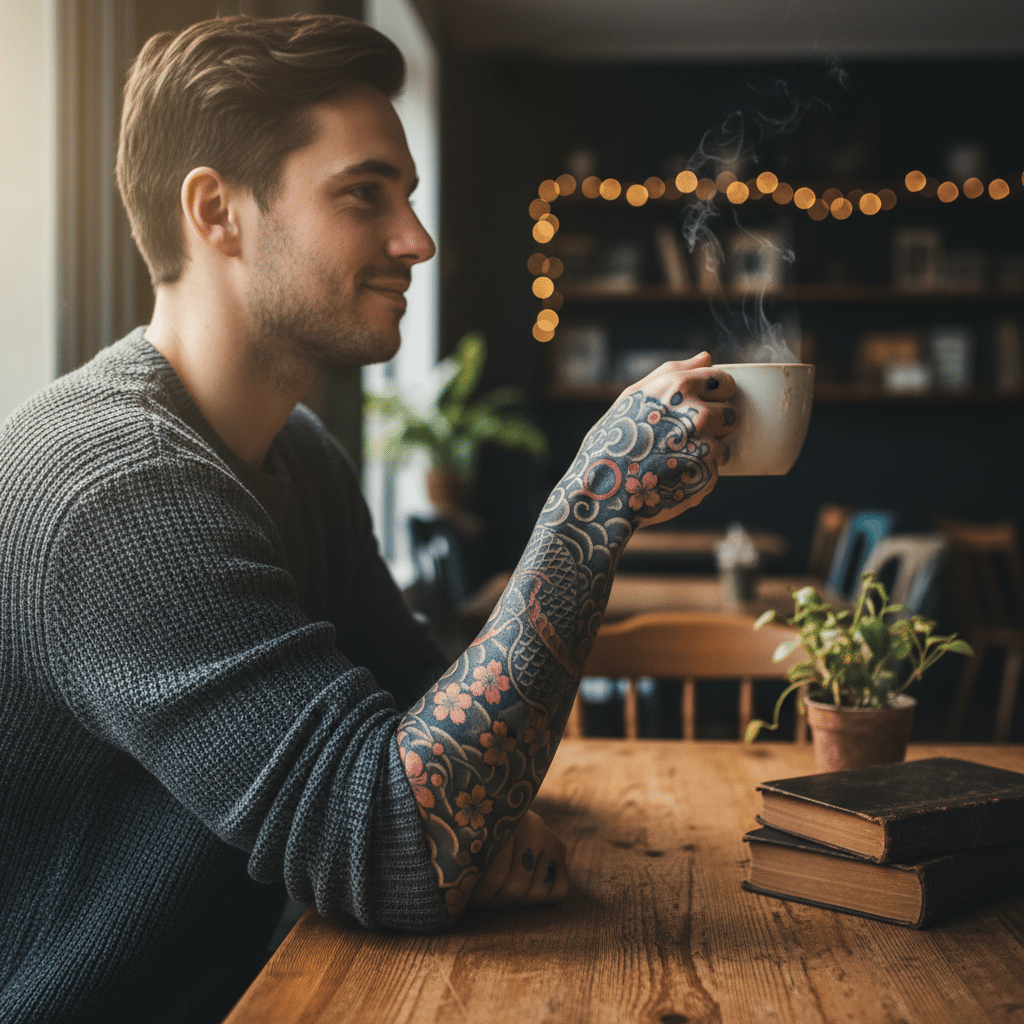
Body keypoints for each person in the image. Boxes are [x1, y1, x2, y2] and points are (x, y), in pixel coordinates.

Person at [0, 13, 736, 1024]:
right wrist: (592, 504)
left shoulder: (297, 454)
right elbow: (404, 837)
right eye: (363, 195)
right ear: (216, 212)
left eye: (409, 197)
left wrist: (447, 824)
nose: (417, 241)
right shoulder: (114, 485)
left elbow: (440, 756)